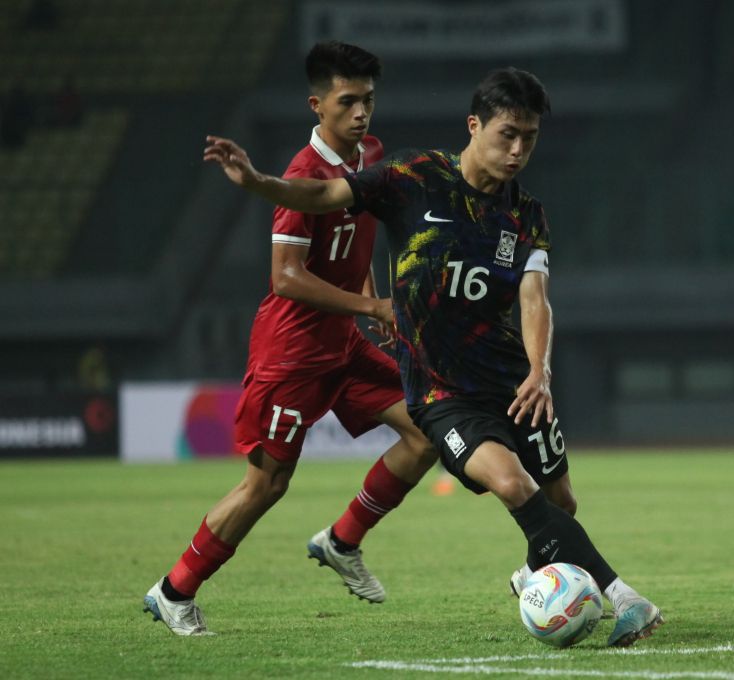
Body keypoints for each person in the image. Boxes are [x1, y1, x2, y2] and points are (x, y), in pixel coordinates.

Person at [201, 67, 664, 647]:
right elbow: (320, 195)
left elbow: (534, 299)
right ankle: (624, 599)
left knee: (560, 503)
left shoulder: (526, 215)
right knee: (510, 482)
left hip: (512, 382)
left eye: (530, 138)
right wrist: (257, 181)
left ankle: (535, 573)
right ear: (475, 126)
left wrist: (539, 371)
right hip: (442, 391)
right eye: (506, 135)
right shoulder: (413, 177)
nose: (518, 150)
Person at [143, 41, 439, 637]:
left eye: (369, 101)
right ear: (317, 104)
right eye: (348, 101)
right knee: (268, 483)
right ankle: (174, 590)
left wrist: (372, 301)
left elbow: (361, 242)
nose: (362, 114)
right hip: (293, 352)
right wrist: (371, 305)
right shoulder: (304, 175)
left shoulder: (369, 155)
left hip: (344, 344)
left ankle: (342, 539)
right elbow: (285, 277)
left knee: (428, 427)